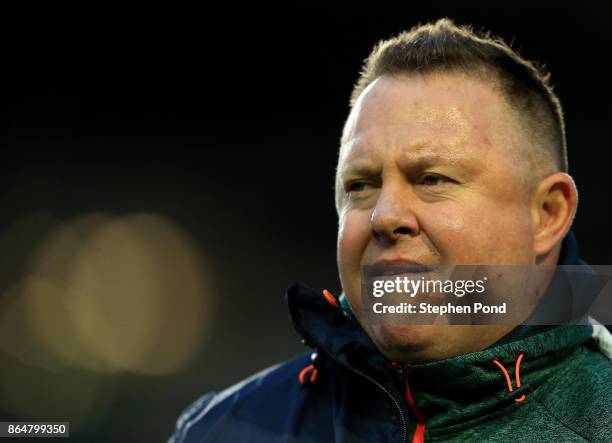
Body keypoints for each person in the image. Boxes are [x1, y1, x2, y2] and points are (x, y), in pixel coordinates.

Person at [168, 18, 612, 442]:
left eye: (432, 179)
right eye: (361, 186)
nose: (384, 216)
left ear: (547, 215)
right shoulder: (220, 429)